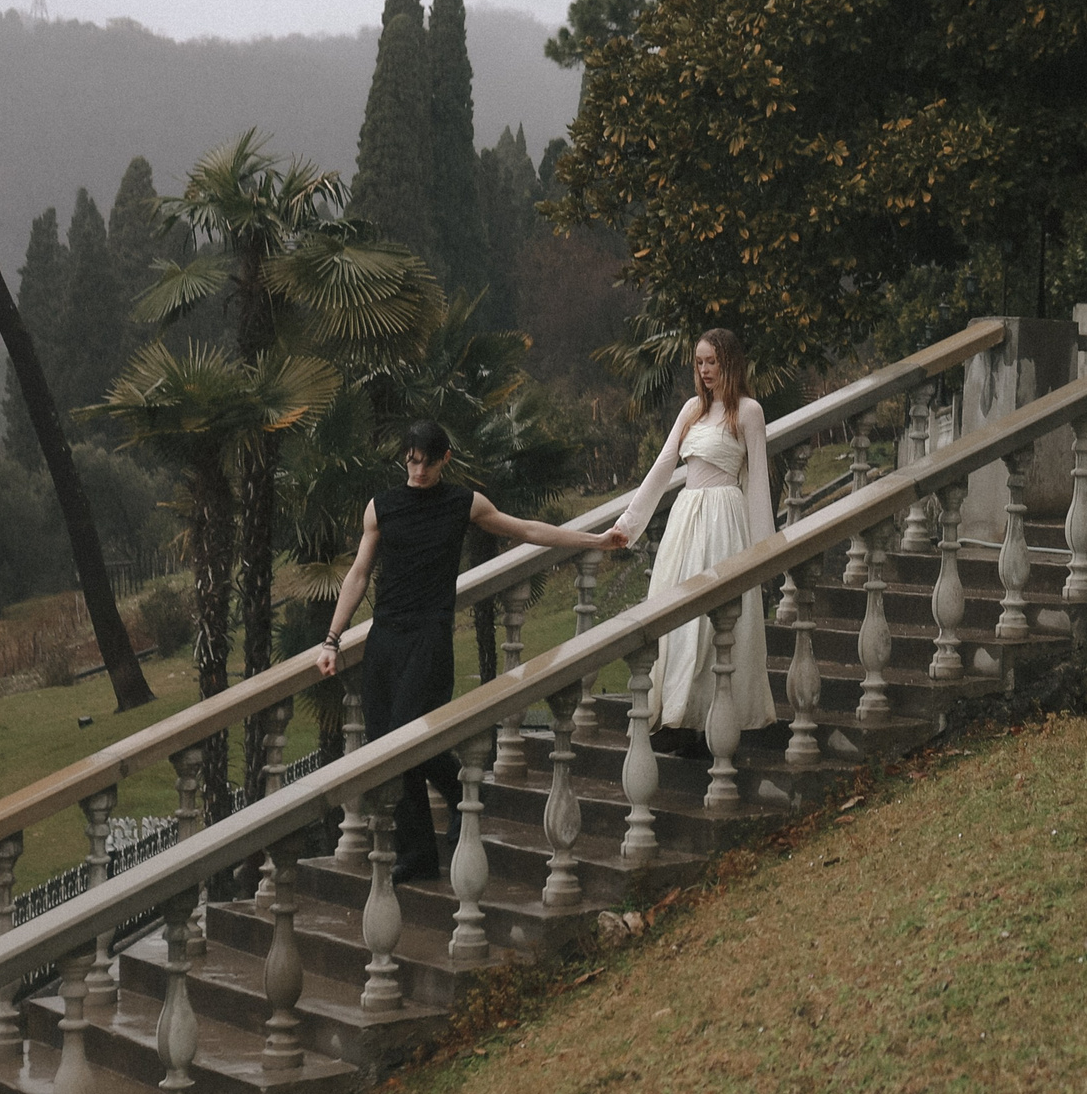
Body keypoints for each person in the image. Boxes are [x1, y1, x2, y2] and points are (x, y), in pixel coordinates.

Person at [317, 421, 624, 883]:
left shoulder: (463, 503)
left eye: (427, 461)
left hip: (429, 637)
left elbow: (526, 530)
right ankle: (418, 853)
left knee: (407, 735)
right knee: (385, 745)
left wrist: (595, 540)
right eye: (411, 460)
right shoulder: (381, 507)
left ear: (444, 460)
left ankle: (461, 784)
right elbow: (359, 574)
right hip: (385, 638)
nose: (418, 470)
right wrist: (332, 639)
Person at [606, 327, 778, 747]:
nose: (704, 370)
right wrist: (627, 524)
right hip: (687, 518)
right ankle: (676, 714)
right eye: (699, 362)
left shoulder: (749, 412)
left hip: (725, 518)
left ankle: (710, 721)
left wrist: (765, 551)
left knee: (714, 620)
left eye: (711, 362)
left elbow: (757, 484)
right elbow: (663, 467)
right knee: (676, 615)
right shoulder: (690, 411)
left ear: (729, 363)